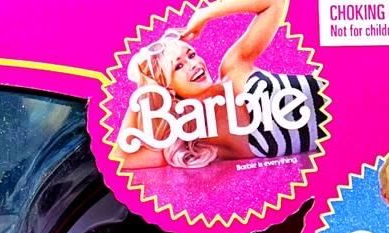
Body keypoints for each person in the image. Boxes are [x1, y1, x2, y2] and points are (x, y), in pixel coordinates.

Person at [110, 0, 326, 168]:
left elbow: (275, 3)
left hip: (342, 94)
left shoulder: (232, 68)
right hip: (341, 143)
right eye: (178, 66)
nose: (193, 64)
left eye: (191, 55)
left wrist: (206, 13)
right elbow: (120, 159)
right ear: (168, 88)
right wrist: (144, 89)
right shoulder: (199, 141)